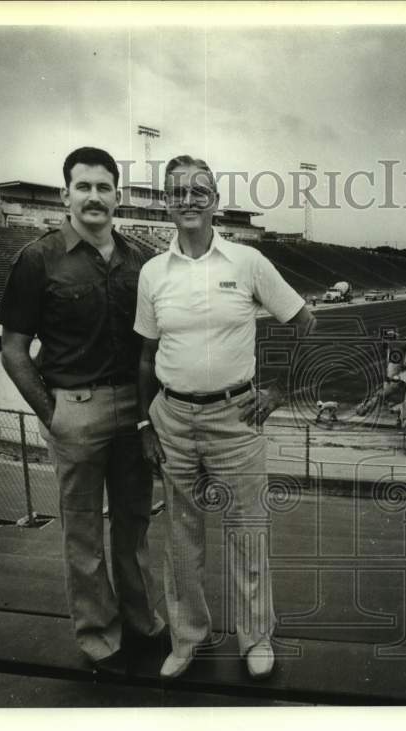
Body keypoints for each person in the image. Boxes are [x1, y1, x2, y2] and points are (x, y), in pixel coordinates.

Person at [135, 155, 314, 680]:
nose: (188, 201)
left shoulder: (247, 262)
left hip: (235, 417)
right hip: (171, 416)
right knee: (180, 537)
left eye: (199, 191)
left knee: (247, 531)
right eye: (178, 192)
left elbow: (305, 320)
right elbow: (145, 356)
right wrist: (146, 424)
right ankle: (187, 639)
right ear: (166, 203)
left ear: (214, 200)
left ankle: (255, 638)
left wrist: (280, 389)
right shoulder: (152, 273)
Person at [0, 146, 164, 673]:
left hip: (135, 410)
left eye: (104, 187)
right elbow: (13, 349)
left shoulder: (140, 258)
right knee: (84, 532)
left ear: (117, 195)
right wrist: (53, 413)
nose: (94, 196)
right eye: (83, 186)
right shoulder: (37, 258)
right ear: (65, 193)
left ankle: (142, 623)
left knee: (134, 524)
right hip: (76, 407)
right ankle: (99, 639)